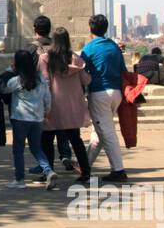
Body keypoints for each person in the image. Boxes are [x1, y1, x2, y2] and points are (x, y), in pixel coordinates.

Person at [40, 27, 91, 183]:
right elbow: (86, 80)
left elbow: (44, 81)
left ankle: (48, 172)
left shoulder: (45, 58)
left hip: (53, 103)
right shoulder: (76, 60)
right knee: (75, 139)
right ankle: (86, 172)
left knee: (47, 139)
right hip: (73, 104)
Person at [81, 14, 129, 183]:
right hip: (116, 92)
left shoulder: (89, 48)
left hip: (99, 93)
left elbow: (81, 71)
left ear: (90, 28)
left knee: (106, 132)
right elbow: (123, 69)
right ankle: (85, 166)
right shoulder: (114, 47)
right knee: (99, 132)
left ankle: (118, 169)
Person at [5, 48, 54, 189]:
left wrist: (10, 69)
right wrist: (46, 112)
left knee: (18, 149)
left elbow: (6, 87)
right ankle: (48, 171)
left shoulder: (17, 80)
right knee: (36, 148)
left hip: (20, 118)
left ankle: (20, 179)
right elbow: (47, 98)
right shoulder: (40, 79)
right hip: (37, 118)